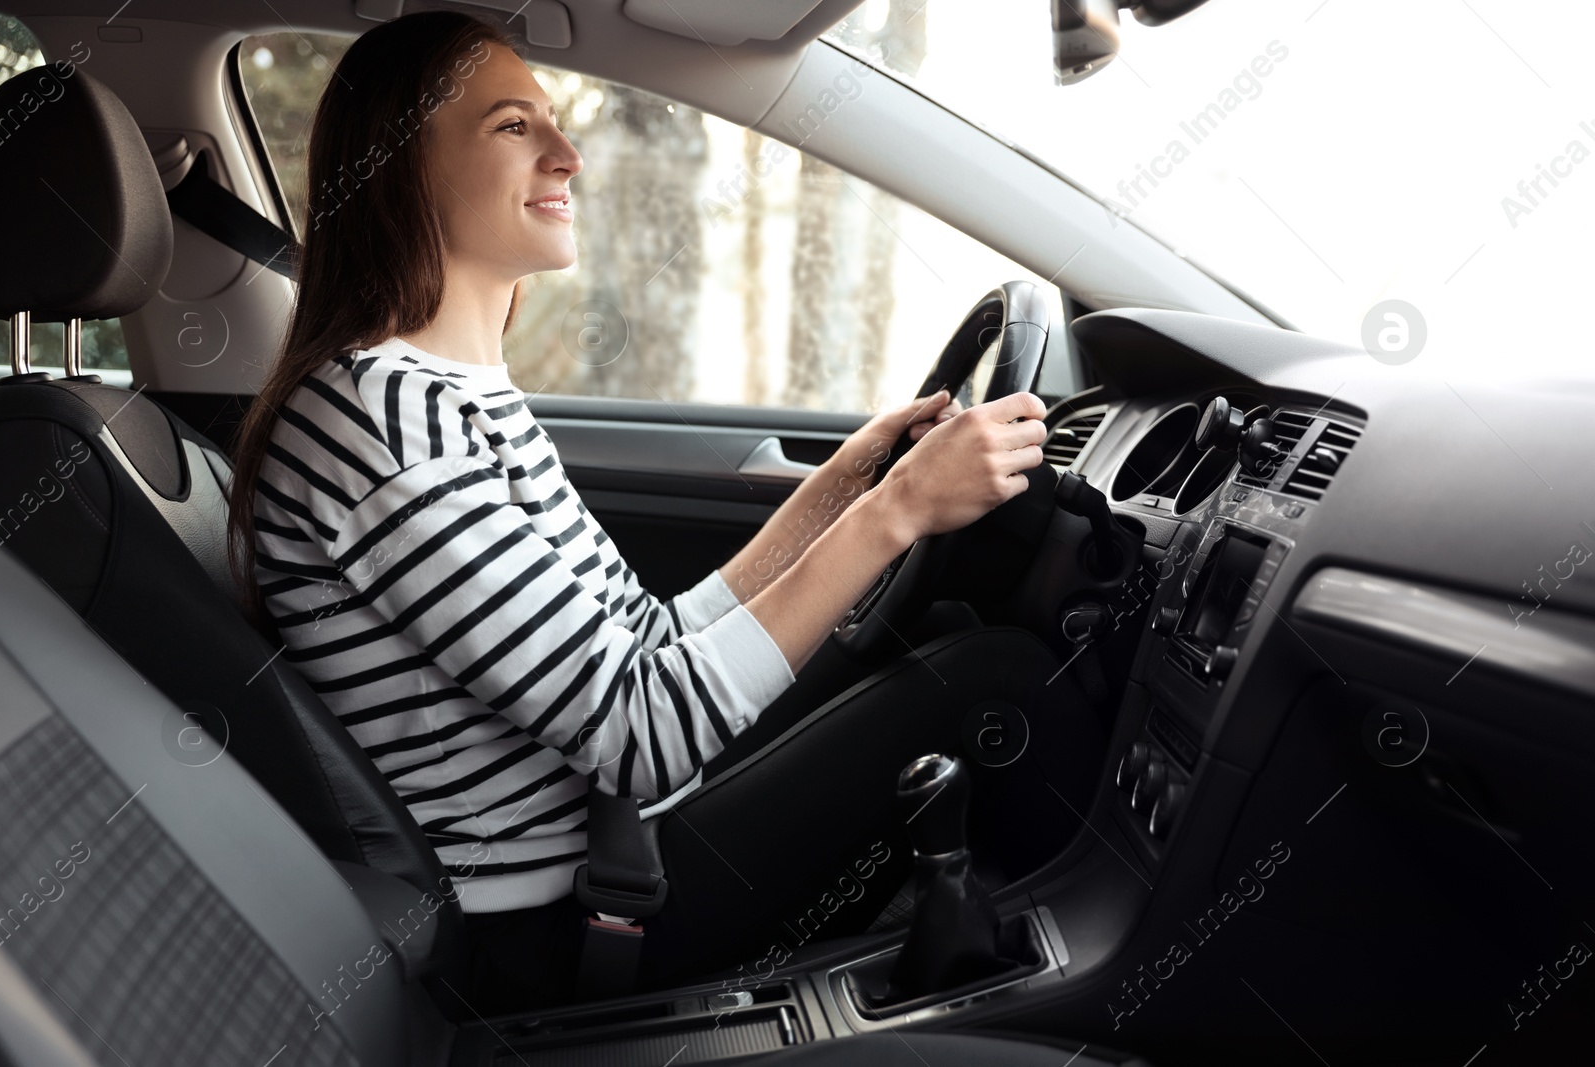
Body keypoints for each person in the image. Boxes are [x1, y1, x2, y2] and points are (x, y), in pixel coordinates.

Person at [225, 9, 1048, 1011]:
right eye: (513, 127)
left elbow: (647, 640)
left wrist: (851, 481)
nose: (568, 154)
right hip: (567, 921)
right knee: (992, 679)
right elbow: (641, 727)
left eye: (552, 123)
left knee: (956, 634)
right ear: (402, 166)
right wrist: (900, 511)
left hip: (620, 844)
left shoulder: (446, 394)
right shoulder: (380, 418)